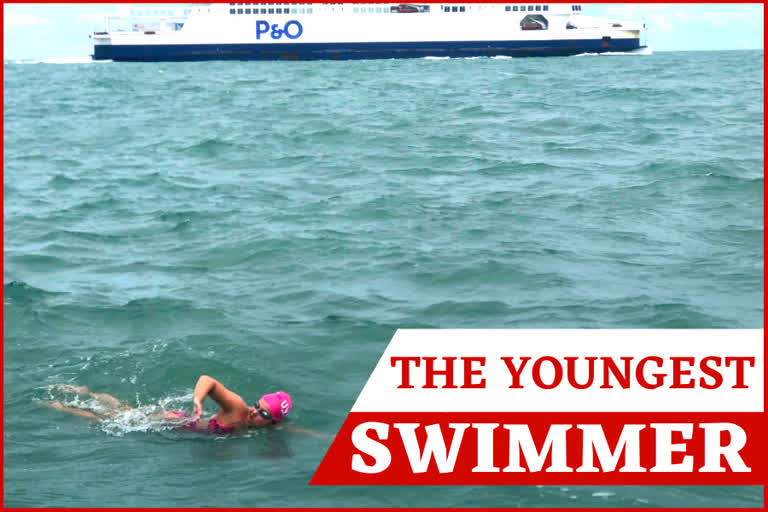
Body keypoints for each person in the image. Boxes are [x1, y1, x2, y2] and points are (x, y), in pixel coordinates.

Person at [45, 375, 293, 435]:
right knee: (109, 420)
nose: (253, 411)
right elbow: (207, 380)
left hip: (182, 424)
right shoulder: (237, 408)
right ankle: (59, 407)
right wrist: (198, 399)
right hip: (173, 420)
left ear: (272, 422)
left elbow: (293, 431)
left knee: (125, 410)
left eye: (262, 413)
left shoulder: (263, 428)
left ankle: (87, 392)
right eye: (256, 405)